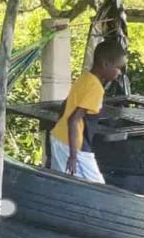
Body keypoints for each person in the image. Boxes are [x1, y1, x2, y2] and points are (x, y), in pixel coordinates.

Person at [49, 40, 127, 183]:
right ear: (105, 64)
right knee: (98, 187)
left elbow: (65, 107)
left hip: (59, 136)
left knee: (62, 184)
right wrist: (73, 156)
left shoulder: (85, 78)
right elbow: (73, 120)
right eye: (118, 67)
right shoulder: (96, 88)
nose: (120, 72)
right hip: (72, 145)